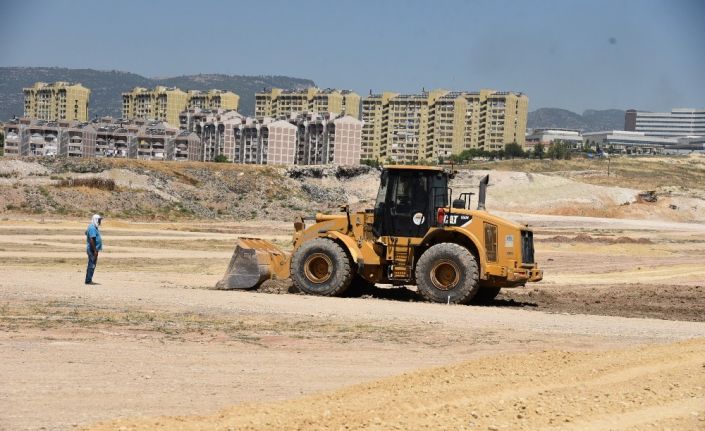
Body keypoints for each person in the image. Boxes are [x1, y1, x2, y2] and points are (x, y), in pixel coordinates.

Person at [85, 214, 103, 285]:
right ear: (96, 220)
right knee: (92, 264)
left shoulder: (92, 227)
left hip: (93, 249)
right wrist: (95, 250)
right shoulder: (92, 227)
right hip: (92, 249)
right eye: (99, 220)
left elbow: (86, 233)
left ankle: (89, 279)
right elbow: (92, 239)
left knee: (92, 264)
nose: (100, 221)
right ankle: (88, 280)